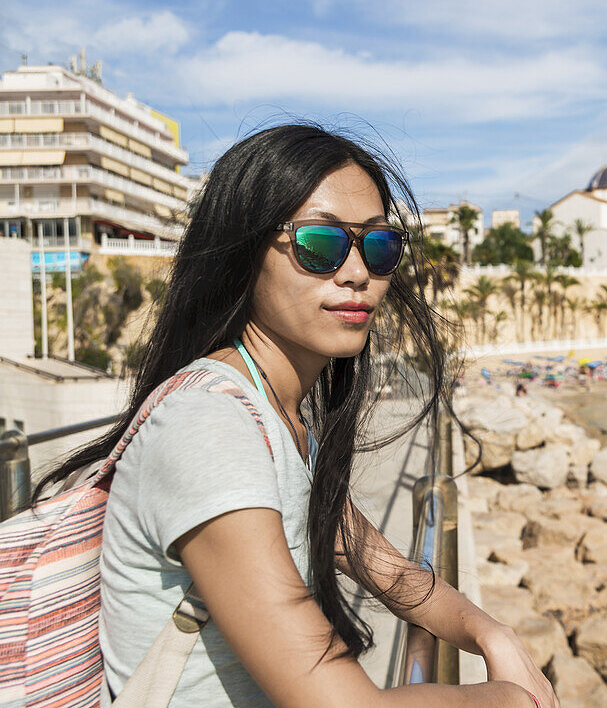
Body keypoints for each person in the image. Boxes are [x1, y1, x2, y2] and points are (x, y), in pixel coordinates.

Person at [36, 125, 554, 707]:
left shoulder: (279, 419)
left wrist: (490, 632)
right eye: (320, 244)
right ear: (244, 253)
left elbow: (386, 568)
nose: (357, 271)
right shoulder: (211, 425)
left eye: (377, 246)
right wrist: (516, 700)